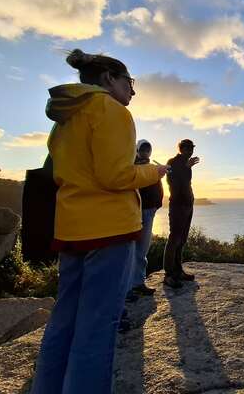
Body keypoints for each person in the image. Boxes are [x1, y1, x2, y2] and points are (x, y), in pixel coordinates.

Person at [30, 49, 169, 394]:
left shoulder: (65, 116)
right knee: (97, 327)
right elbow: (115, 175)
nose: (133, 91)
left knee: (63, 322)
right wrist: (154, 171)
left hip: (72, 227)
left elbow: (62, 172)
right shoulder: (112, 110)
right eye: (129, 82)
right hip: (109, 231)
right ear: (109, 79)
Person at [128, 139, 164, 297]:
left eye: (147, 149)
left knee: (142, 249)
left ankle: (138, 282)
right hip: (137, 212)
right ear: (136, 150)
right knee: (133, 250)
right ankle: (129, 286)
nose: (145, 152)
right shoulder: (133, 166)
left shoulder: (150, 167)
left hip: (149, 210)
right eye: (142, 149)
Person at [163, 139, 199, 288]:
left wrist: (187, 167)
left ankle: (178, 271)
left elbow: (186, 183)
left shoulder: (185, 164)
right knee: (174, 239)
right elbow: (174, 183)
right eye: (187, 148)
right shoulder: (172, 162)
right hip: (177, 206)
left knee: (182, 240)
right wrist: (186, 167)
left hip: (187, 205)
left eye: (191, 148)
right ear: (181, 149)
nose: (190, 151)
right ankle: (169, 275)